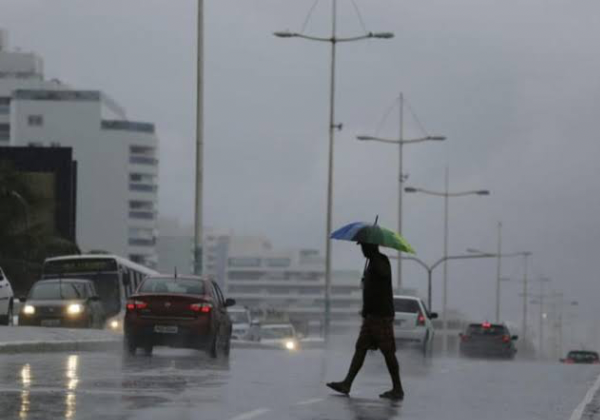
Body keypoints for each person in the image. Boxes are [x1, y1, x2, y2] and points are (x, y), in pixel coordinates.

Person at [327, 242, 404, 400]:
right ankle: (347, 383)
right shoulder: (372, 264)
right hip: (371, 316)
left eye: (363, 246)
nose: (361, 250)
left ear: (371, 247)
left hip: (381, 316)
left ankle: (398, 388)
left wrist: (374, 265)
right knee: (360, 348)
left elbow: (383, 275)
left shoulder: (380, 261)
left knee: (388, 352)